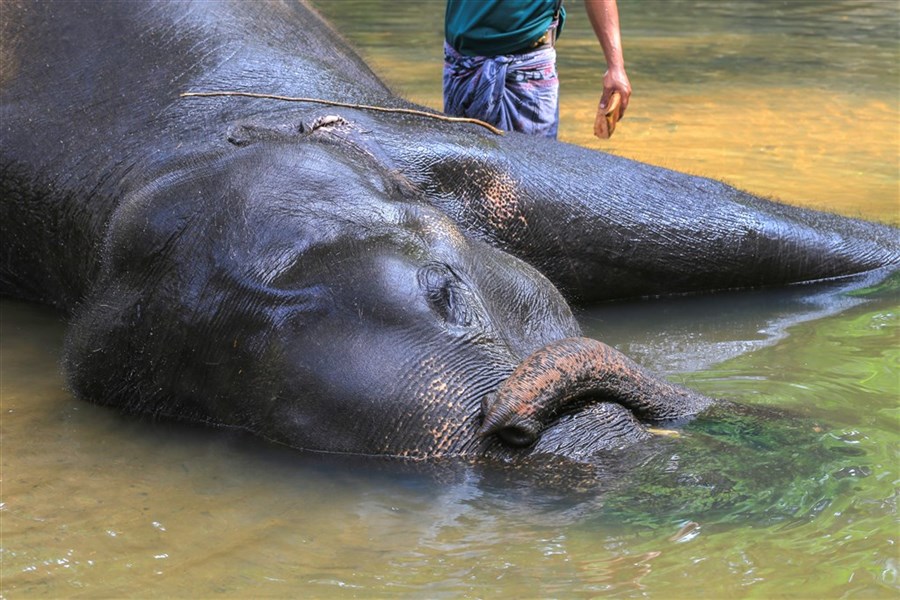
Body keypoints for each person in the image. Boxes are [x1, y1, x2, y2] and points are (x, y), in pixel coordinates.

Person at [443, 0, 632, 139]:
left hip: (526, 68)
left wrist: (616, 66)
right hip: (461, 63)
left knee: (527, 180)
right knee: (459, 178)